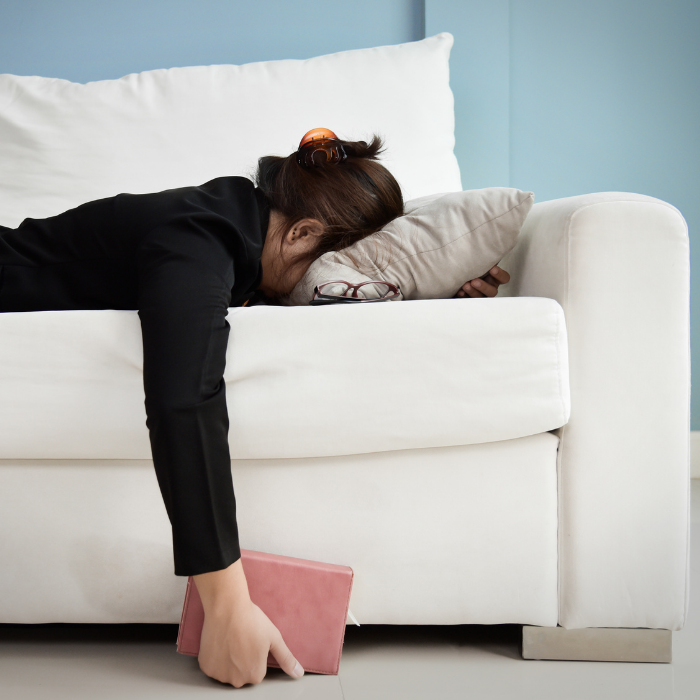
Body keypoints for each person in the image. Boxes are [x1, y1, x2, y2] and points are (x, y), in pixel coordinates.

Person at [0, 128, 509, 688]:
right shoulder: (200, 235)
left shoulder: (244, 225)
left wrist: (441, 303)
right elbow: (183, 398)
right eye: (332, 268)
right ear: (304, 232)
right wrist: (226, 606)